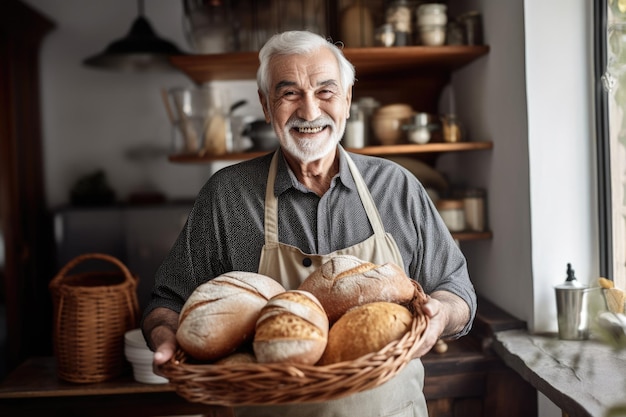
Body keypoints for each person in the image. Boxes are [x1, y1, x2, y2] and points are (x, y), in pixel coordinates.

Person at [142, 30, 476, 417]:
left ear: (347, 101)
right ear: (266, 107)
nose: (310, 111)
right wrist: (164, 339)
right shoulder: (226, 196)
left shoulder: (396, 187)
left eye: (326, 92)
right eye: (289, 94)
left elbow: (456, 288)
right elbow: (167, 301)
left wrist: (440, 318)